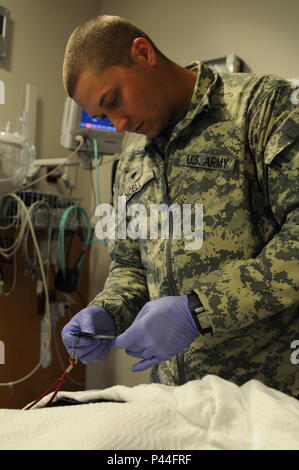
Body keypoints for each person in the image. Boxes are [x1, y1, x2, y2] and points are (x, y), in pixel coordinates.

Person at [61, 15, 299, 397]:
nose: (118, 124)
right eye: (104, 116)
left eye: (114, 100)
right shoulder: (134, 153)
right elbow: (131, 265)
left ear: (143, 53)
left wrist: (200, 309)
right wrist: (107, 311)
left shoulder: (260, 108)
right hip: (176, 401)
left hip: (268, 397)